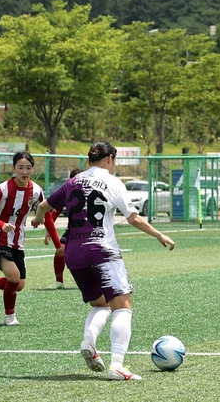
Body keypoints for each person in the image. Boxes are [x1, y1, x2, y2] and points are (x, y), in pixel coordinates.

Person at [32, 141, 175, 382]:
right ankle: (117, 365)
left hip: (74, 254)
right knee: (123, 306)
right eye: (115, 160)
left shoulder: (73, 182)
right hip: (102, 251)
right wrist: (159, 234)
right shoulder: (113, 182)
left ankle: (89, 341)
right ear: (109, 159)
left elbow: (44, 206)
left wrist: (37, 219)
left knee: (101, 304)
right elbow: (133, 218)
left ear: (89, 161)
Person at [0, 151, 45, 326]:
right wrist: (1, 225)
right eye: (20, 167)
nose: (24, 171)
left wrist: (46, 227)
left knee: (19, 284)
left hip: (18, 241)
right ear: (14, 168)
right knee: (14, 276)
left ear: (32, 169)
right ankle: (9, 317)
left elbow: (46, 211)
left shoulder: (36, 191)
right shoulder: (3, 189)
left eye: (28, 168)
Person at [44, 167, 84, 289]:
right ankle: (59, 281)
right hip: (72, 229)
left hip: (89, 229)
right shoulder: (67, 193)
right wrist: (48, 232)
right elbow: (54, 213)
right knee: (60, 251)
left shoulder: (91, 191)